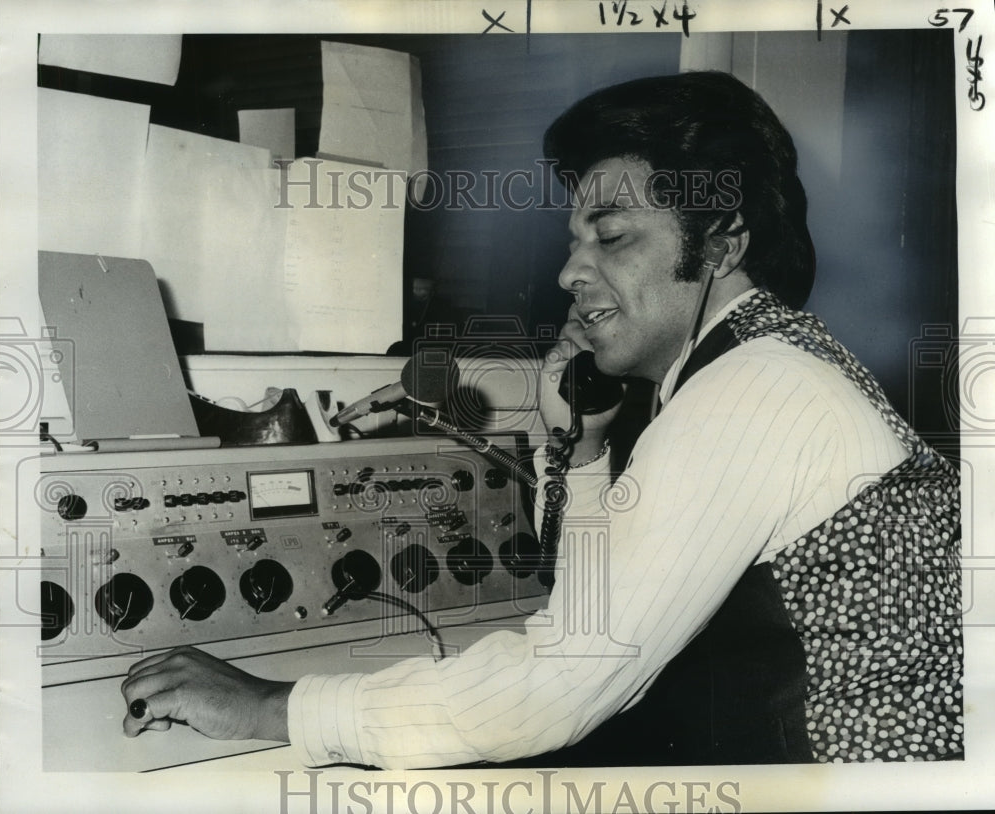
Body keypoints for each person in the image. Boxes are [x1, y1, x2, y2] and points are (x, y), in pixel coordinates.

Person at [120, 71, 963, 767]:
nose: (570, 271)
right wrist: (585, 443)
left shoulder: (759, 390)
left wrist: (274, 706)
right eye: (573, 240)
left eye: (613, 237)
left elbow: (559, 684)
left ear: (723, 243)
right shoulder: (751, 364)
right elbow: (589, 609)